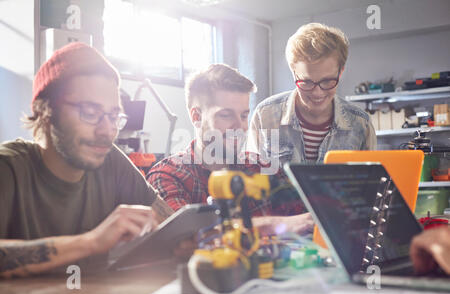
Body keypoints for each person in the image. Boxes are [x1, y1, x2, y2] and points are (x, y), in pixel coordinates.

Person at [0, 42, 174, 278]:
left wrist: (186, 238)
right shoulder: (9, 168)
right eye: (89, 112)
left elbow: (170, 226)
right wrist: (92, 242)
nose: (106, 131)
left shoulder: (111, 161)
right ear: (45, 110)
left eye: (113, 116)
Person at [147, 64, 313, 237]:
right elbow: (186, 236)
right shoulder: (168, 176)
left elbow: (308, 217)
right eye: (226, 115)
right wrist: (274, 224)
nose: (240, 127)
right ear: (196, 116)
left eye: (243, 115)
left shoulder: (262, 167)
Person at [246, 23, 376, 165]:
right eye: (307, 82)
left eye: (327, 81)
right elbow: (252, 181)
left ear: (341, 71)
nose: (317, 92)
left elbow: (371, 185)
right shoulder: (264, 116)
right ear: (293, 73)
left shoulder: (361, 125)